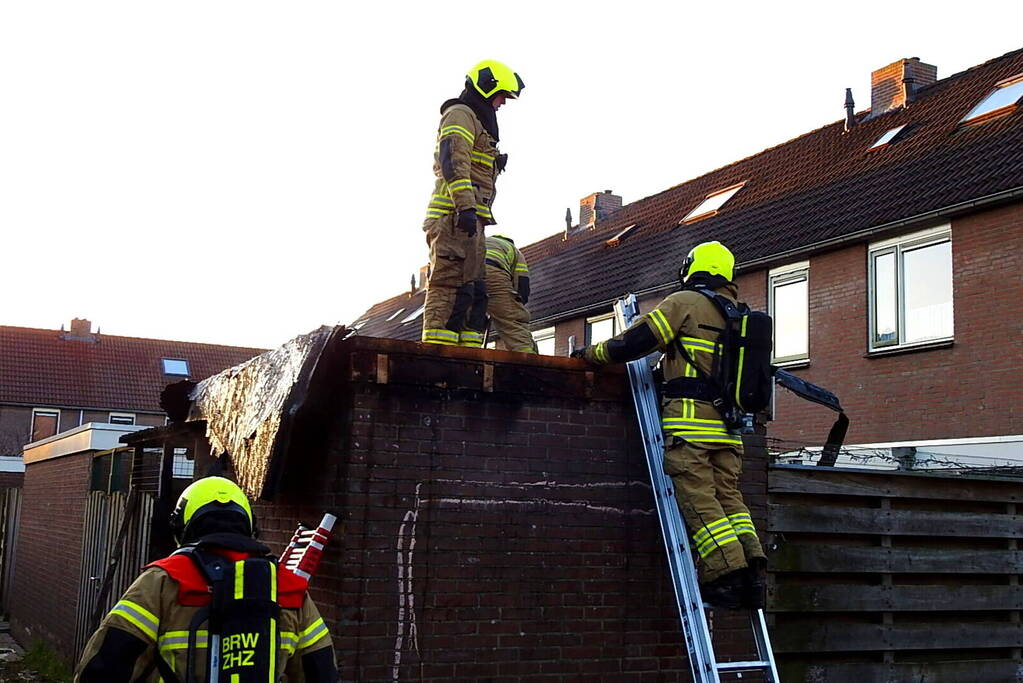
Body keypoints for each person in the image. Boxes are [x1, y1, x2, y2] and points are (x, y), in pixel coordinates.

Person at [572, 241, 767, 609]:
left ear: (693, 268)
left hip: (692, 428)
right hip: (730, 430)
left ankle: (724, 576)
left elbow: (635, 342)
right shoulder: (737, 313)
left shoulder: (685, 302)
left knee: (699, 500)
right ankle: (751, 572)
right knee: (730, 499)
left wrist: (589, 354)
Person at [75, 476, 338, 682]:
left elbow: (105, 666)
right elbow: (322, 672)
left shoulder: (163, 581)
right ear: (249, 524)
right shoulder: (289, 589)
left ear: (181, 526)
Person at [421, 60, 524, 347]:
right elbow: (453, 160)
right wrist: (465, 206)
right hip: (452, 216)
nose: (502, 103)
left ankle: (466, 355)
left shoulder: (477, 122)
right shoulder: (460, 115)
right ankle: (437, 354)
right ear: (487, 87)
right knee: (448, 284)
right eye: (501, 95)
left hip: (471, 218)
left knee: (473, 289)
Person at [484, 234, 536, 353]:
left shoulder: (484, 241)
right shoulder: (515, 251)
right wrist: (518, 303)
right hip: (493, 273)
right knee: (512, 322)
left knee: (471, 318)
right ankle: (528, 360)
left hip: (465, 271)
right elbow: (522, 284)